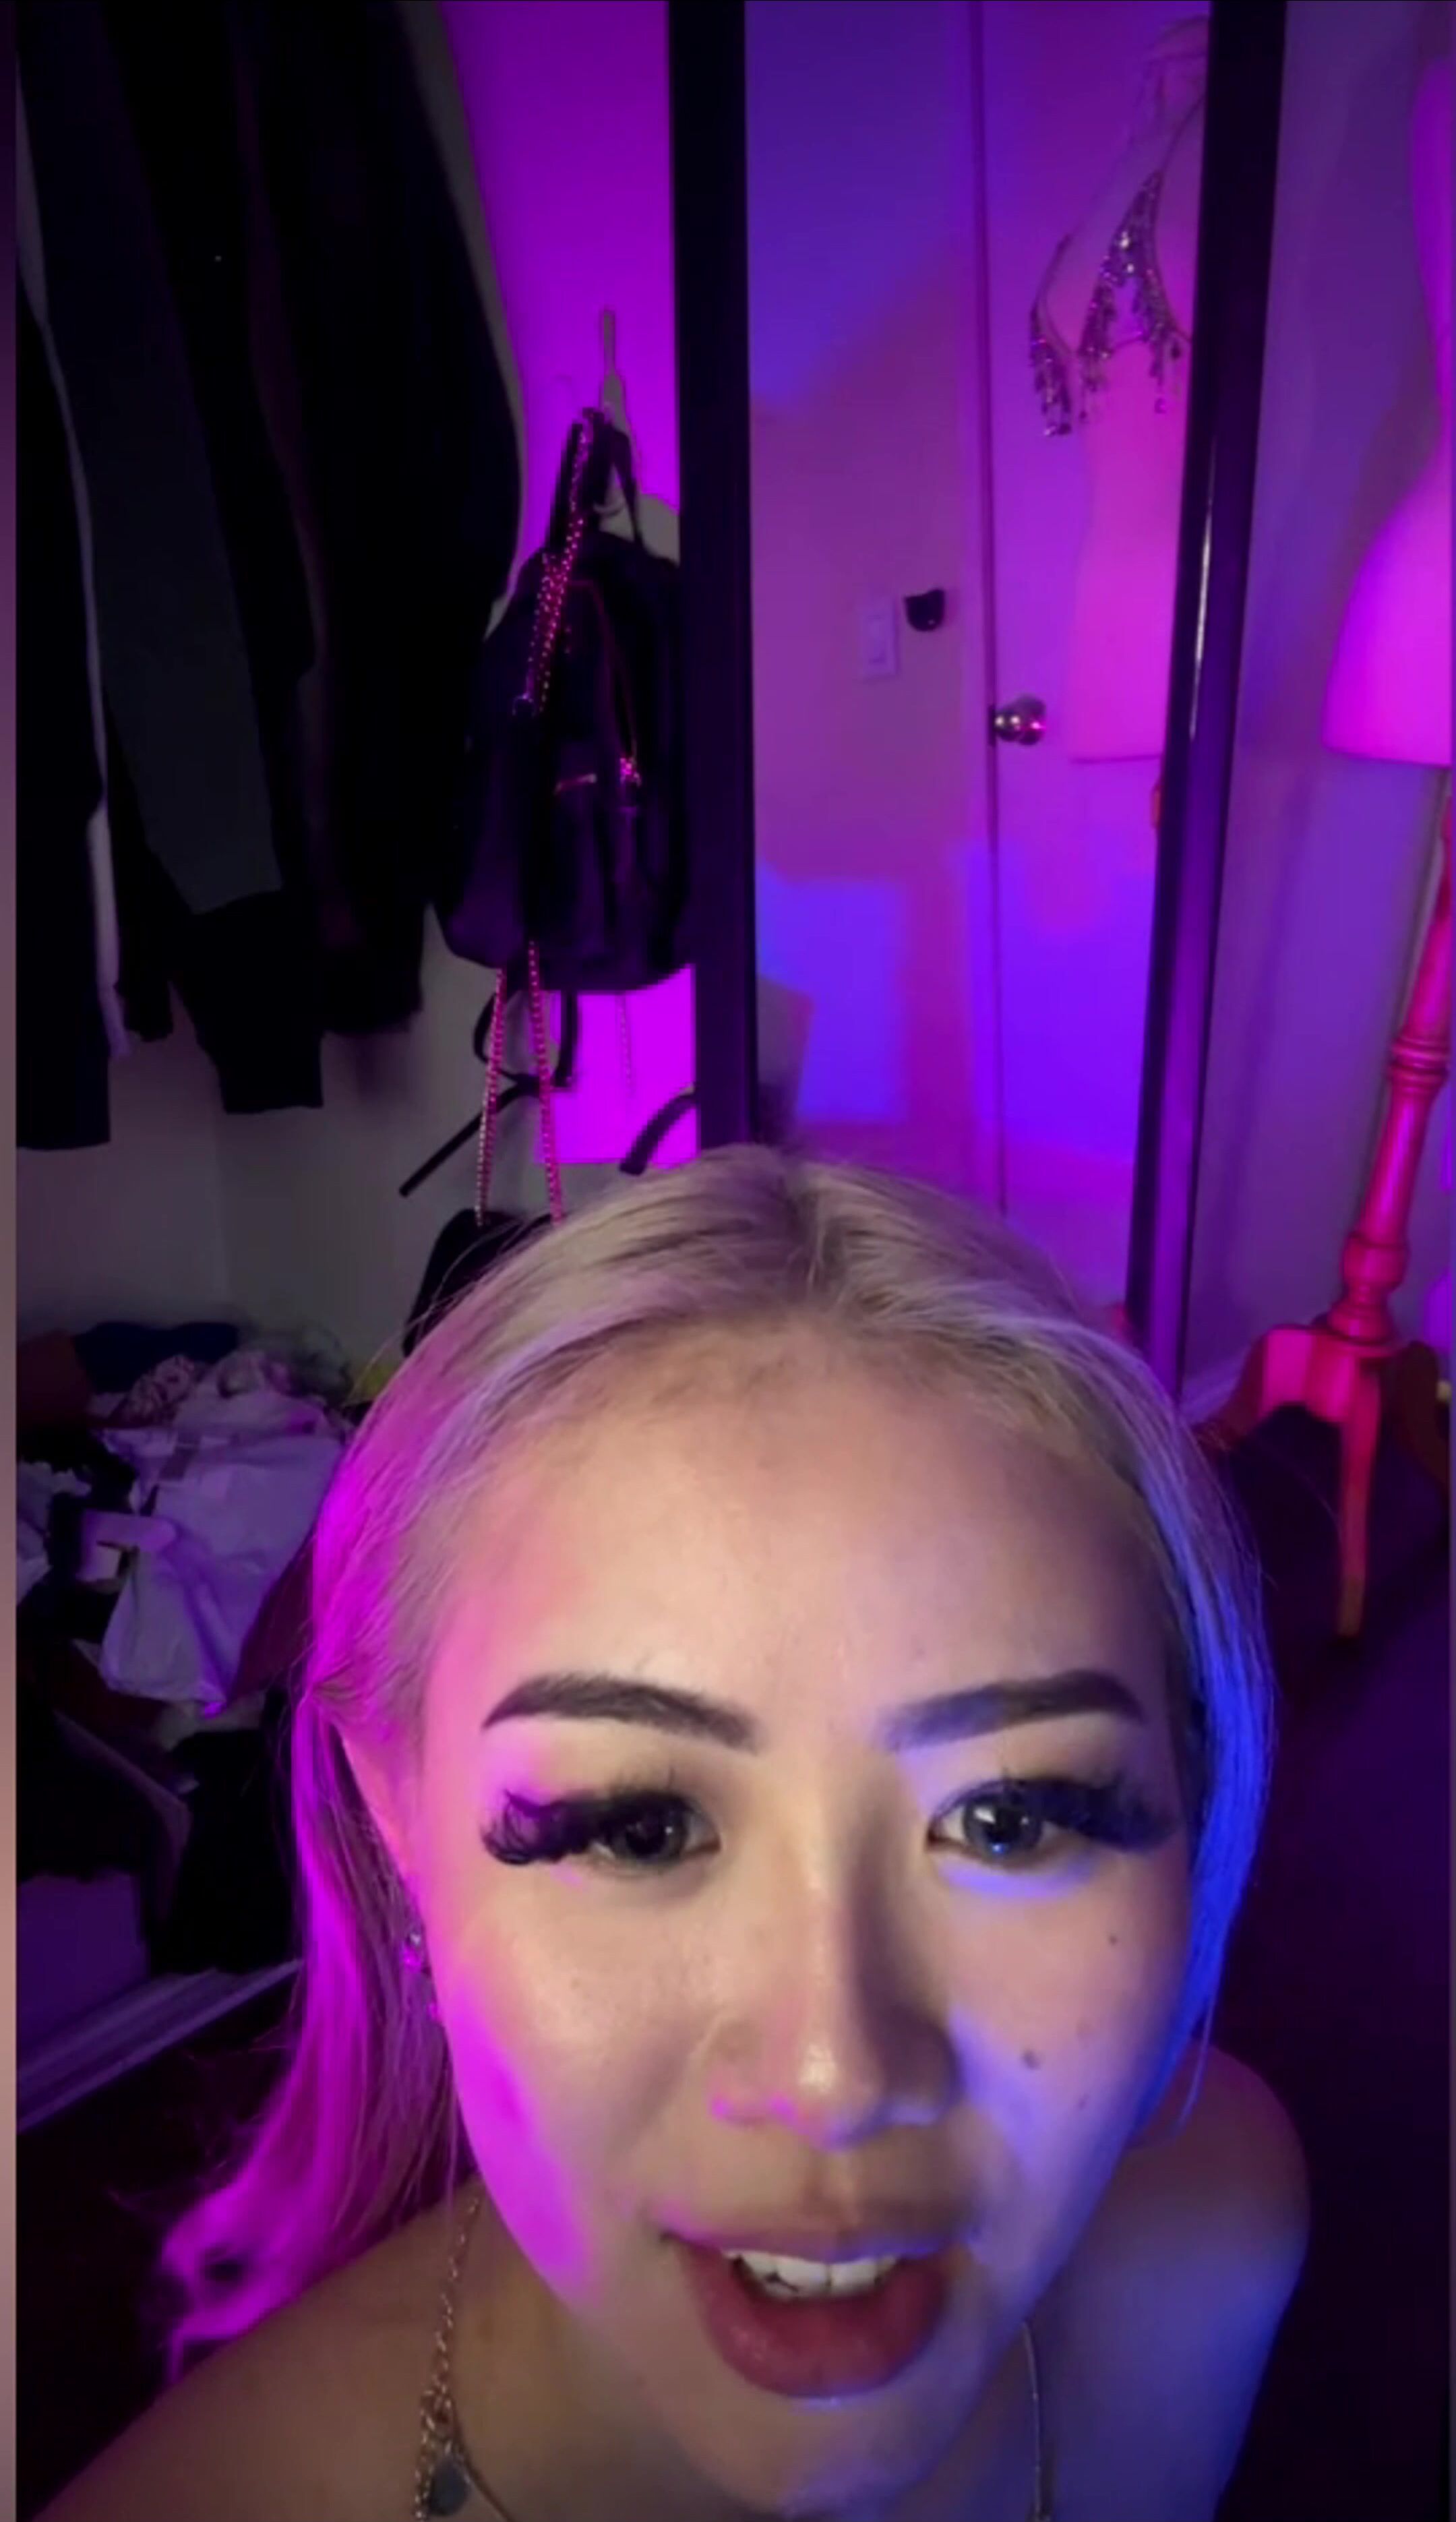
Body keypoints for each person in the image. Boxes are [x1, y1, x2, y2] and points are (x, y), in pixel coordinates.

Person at [40, 1149, 1308, 2522]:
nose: (833, 2078)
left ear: (1192, 1793)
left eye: (1008, 1819)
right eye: (641, 1827)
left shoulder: (1218, 2237)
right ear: (399, 1821)